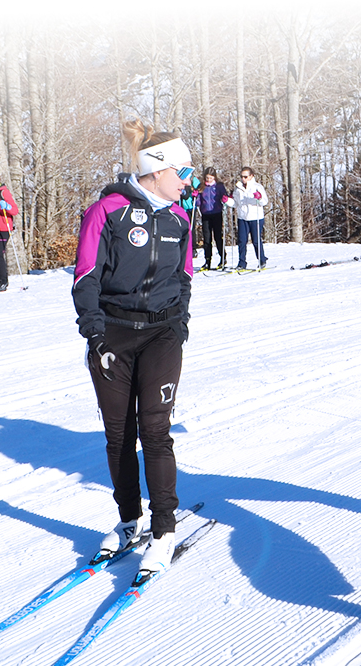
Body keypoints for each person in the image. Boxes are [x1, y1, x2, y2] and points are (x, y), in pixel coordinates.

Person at [72, 119, 195, 576]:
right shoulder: (107, 211)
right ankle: (129, 522)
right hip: (114, 337)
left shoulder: (181, 218)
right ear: (156, 171)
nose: (190, 182)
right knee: (119, 436)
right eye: (184, 173)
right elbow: (86, 277)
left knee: (156, 432)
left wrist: (180, 326)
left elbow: (183, 279)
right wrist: (95, 333)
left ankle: (163, 529)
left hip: (162, 335)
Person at [231, 167, 270, 269]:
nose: (243, 179)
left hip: (255, 217)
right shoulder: (238, 187)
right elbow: (236, 203)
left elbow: (264, 202)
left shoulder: (257, 187)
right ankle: (242, 263)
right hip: (242, 217)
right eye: (242, 177)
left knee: (256, 240)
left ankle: (262, 260)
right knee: (242, 241)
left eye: (245, 176)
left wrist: (259, 197)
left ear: (251, 176)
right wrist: (227, 201)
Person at [195, 169, 230, 269]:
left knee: (218, 237)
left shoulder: (218, 186)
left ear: (214, 177)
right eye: (207, 178)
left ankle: (223, 258)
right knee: (207, 238)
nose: (209, 180)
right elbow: (198, 201)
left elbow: (224, 196)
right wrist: (196, 197)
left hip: (216, 213)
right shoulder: (202, 186)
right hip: (205, 214)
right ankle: (207, 260)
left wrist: (225, 198)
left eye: (211, 178)